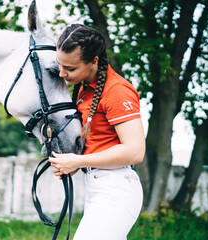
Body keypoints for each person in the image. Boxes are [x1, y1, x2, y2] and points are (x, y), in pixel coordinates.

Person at [49, 24, 145, 240]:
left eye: (71, 69)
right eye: (60, 65)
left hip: (117, 190)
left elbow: (135, 151)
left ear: (94, 62)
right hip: (97, 187)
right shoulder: (85, 88)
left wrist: (76, 161)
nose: (62, 74)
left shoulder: (117, 91)